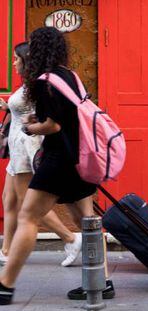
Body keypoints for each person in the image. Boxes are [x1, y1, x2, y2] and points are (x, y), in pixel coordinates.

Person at [0, 27, 114, 305]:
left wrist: (29, 127)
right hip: (81, 158)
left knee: (28, 217)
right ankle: (103, 282)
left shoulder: (43, 81)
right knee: (87, 222)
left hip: (58, 160)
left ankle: (5, 285)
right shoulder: (70, 76)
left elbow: (52, 125)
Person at [0, 42, 81, 268]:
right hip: (17, 147)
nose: (13, 62)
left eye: (16, 58)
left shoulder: (37, 84)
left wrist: (19, 115)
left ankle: (71, 238)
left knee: (28, 201)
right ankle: (7, 249)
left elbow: (43, 116)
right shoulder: (28, 85)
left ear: (26, 61)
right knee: (9, 198)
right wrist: (7, 107)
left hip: (27, 146)